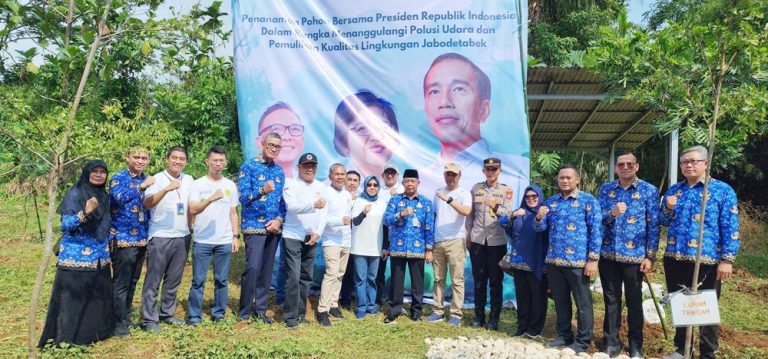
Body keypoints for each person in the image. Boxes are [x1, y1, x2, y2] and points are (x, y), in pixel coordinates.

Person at [660, 146, 740, 359]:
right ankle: (682, 349)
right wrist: (667, 207)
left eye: (694, 161)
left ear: (705, 163)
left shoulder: (721, 190)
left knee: (707, 307)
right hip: (675, 257)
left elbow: (730, 227)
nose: (689, 165)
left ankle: (707, 351)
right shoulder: (674, 190)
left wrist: (727, 260)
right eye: (685, 162)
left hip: (707, 260)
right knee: (680, 305)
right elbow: (663, 222)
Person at [420, 52, 529, 200]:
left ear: (483, 110)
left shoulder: (515, 171)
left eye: (458, 89)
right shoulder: (420, 179)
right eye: (434, 91)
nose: (444, 102)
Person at [39, 160, 114, 347]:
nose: (98, 175)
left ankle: (92, 335)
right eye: (94, 171)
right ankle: (67, 340)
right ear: (86, 173)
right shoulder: (75, 193)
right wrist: (85, 213)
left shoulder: (103, 195)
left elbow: (105, 222)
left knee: (95, 297)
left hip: (99, 256)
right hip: (76, 256)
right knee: (74, 299)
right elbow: (65, 224)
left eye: (102, 171)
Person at [535, 164, 602, 354]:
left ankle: (583, 341)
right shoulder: (551, 202)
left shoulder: (588, 201)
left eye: (568, 178)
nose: (564, 181)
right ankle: (564, 335)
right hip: (555, 262)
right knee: (561, 301)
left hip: (579, 263)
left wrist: (593, 259)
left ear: (577, 179)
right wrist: (539, 218)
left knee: (583, 303)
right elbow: (540, 229)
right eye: (561, 178)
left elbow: (595, 231)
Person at [598, 152, 660, 358]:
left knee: (634, 302)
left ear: (637, 166)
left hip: (635, 258)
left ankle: (636, 346)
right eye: (621, 164)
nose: (625, 167)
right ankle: (611, 343)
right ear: (616, 168)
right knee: (611, 300)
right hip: (608, 256)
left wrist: (650, 256)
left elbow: (653, 225)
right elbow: (599, 221)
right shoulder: (606, 190)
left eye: (629, 164)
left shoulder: (649, 191)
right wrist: (612, 213)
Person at [141, 147, 194, 333]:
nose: (178, 161)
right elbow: (147, 203)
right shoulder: (157, 179)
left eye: (182, 159)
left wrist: (190, 228)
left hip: (183, 235)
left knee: (174, 279)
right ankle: (148, 319)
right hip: (161, 235)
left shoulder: (189, 179)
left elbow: (189, 206)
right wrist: (167, 189)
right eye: (174, 158)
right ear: (167, 159)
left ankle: (167, 313)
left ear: (186, 162)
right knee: (153, 279)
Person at [186, 146, 240, 326]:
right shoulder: (198, 184)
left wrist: (235, 236)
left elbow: (233, 212)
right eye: (215, 160)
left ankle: (219, 313)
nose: (218, 164)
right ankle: (194, 316)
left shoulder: (230, 185)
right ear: (207, 162)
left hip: (224, 240)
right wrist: (210, 199)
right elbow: (193, 209)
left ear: (225, 163)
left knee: (221, 279)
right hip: (202, 240)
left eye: (221, 161)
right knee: (198, 280)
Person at [238, 132, 286, 324]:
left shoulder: (279, 171)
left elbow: (282, 203)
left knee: (267, 270)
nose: (274, 149)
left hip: (273, 228)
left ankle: (261, 310)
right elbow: (242, 198)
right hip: (253, 226)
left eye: (277, 146)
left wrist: (279, 220)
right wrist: (261, 191)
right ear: (262, 144)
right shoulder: (249, 166)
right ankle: (244, 311)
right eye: (271, 145)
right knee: (252, 267)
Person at [109, 147, 154, 337]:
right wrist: (142, 187)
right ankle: (116, 323)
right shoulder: (118, 178)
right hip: (123, 239)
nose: (140, 160)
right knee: (121, 283)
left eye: (144, 158)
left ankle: (125, 317)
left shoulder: (149, 178)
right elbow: (119, 198)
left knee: (134, 281)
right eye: (136, 157)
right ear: (127, 157)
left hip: (141, 238)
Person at [466, 158, 514, 330]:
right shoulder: (476, 188)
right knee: (479, 280)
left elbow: (508, 215)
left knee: (495, 281)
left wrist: (496, 208)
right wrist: (468, 235)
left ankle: (494, 318)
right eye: (488, 168)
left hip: (497, 241)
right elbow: (470, 215)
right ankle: (478, 316)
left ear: (500, 171)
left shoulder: (506, 190)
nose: (491, 171)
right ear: (483, 170)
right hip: (478, 239)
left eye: (494, 169)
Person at [383, 169, 435, 324]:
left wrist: (429, 249)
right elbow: (387, 220)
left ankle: (416, 311)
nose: (410, 184)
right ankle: (395, 310)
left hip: (417, 249)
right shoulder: (395, 200)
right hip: (398, 248)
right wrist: (401, 214)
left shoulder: (426, 203)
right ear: (403, 183)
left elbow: (429, 227)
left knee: (417, 282)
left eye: (413, 181)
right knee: (396, 282)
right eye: (407, 181)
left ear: (418, 183)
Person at [281, 153, 327, 329]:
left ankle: (300, 314)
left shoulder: (321, 186)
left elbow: (324, 212)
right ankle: (290, 317)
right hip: (293, 235)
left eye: (313, 166)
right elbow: (291, 207)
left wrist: (317, 232)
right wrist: (313, 205)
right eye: (306, 165)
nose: (310, 169)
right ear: (298, 167)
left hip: (311, 237)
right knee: (293, 276)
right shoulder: (290, 184)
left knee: (306, 277)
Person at [499, 185, 549, 339]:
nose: (531, 199)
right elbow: (502, 223)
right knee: (522, 297)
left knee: (538, 297)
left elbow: (541, 228)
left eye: (534, 196)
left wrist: (539, 216)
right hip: (518, 262)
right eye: (527, 197)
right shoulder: (519, 212)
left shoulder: (545, 212)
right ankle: (522, 327)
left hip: (537, 262)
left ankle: (534, 330)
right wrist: (513, 215)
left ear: (539, 197)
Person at [425, 163, 471, 326]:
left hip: (456, 240)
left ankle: (456, 314)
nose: (450, 177)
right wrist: (429, 245)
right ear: (444, 175)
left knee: (457, 280)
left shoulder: (464, 193)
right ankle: (437, 311)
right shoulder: (438, 192)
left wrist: (449, 200)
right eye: (448, 174)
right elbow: (433, 217)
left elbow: (466, 211)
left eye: (454, 174)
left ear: (459, 176)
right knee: (438, 279)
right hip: (438, 241)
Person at [316, 164, 353, 326]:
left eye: (342, 174)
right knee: (331, 274)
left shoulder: (347, 195)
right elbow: (321, 218)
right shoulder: (325, 193)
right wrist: (339, 221)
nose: (339, 177)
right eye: (336, 174)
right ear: (330, 176)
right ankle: (322, 310)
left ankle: (333, 304)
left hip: (346, 240)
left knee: (339, 274)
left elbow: (350, 217)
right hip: (331, 241)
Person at [333, 89, 400, 179]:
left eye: (383, 127)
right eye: (362, 128)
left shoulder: (404, 188)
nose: (376, 136)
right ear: (343, 142)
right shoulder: (330, 190)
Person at [349, 176, 388, 318]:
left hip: (376, 247)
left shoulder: (382, 203)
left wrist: (385, 246)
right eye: (369, 185)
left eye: (375, 185)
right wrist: (364, 212)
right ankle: (361, 307)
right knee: (360, 278)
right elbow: (355, 222)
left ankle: (371, 306)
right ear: (365, 186)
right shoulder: (359, 201)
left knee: (372, 278)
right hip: (359, 246)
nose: (372, 187)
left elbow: (385, 226)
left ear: (378, 187)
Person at [375, 163, 404, 307]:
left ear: (398, 175)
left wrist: (398, 196)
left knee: (397, 272)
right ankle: (378, 300)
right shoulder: (377, 191)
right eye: (387, 173)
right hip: (382, 236)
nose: (390, 175)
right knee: (379, 270)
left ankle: (395, 301)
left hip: (400, 237)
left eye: (393, 173)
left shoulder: (404, 191)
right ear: (383, 175)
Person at [255, 102, 305, 178]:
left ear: (302, 141)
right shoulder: (251, 180)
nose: (287, 137)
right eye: (277, 129)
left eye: (295, 128)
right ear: (260, 143)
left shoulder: (312, 186)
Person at [340, 169, 362, 309]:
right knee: (341, 271)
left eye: (355, 180)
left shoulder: (361, 200)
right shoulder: (339, 196)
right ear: (345, 181)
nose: (352, 183)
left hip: (356, 241)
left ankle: (350, 298)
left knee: (352, 271)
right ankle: (342, 299)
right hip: (339, 239)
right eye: (350, 179)